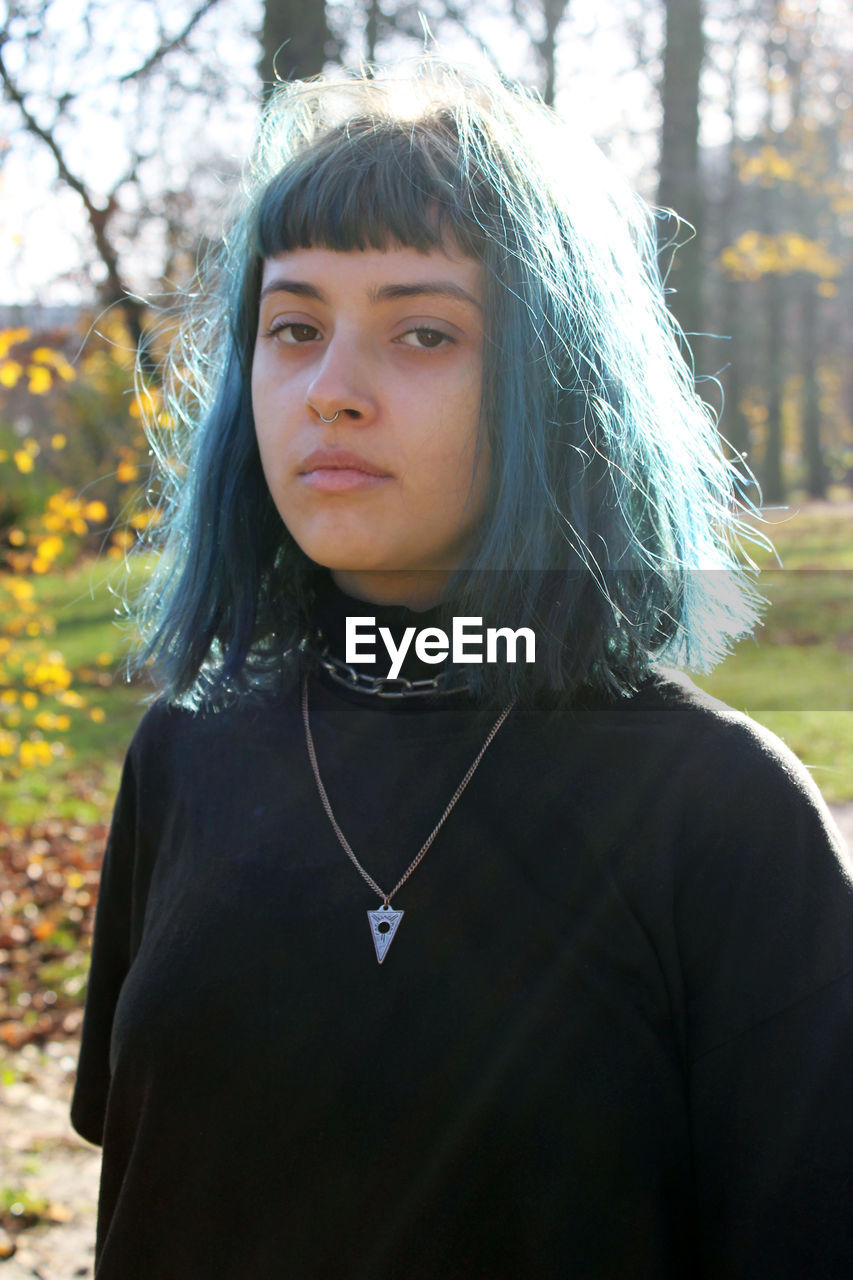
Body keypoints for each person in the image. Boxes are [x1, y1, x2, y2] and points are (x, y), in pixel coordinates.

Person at [70, 58, 853, 1279]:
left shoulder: (721, 812)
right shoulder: (184, 755)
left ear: (556, 388)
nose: (331, 391)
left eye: (422, 330)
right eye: (293, 326)